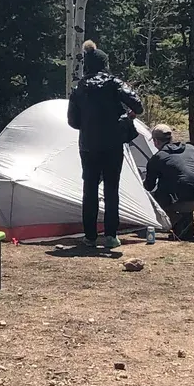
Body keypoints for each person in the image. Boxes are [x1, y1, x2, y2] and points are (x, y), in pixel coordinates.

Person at [66, 40, 141, 252]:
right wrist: (125, 116)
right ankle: (110, 235)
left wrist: (88, 125)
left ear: (87, 65)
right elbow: (138, 105)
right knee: (111, 189)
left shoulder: (79, 88)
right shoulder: (114, 82)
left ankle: (90, 236)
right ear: (105, 63)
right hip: (112, 144)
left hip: (88, 145)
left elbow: (73, 122)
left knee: (89, 189)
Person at [142, 123, 194, 240]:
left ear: (155, 141)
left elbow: (149, 187)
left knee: (153, 198)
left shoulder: (158, 157)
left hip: (185, 201)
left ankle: (179, 223)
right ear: (171, 138)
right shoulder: (191, 149)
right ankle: (186, 221)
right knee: (181, 188)